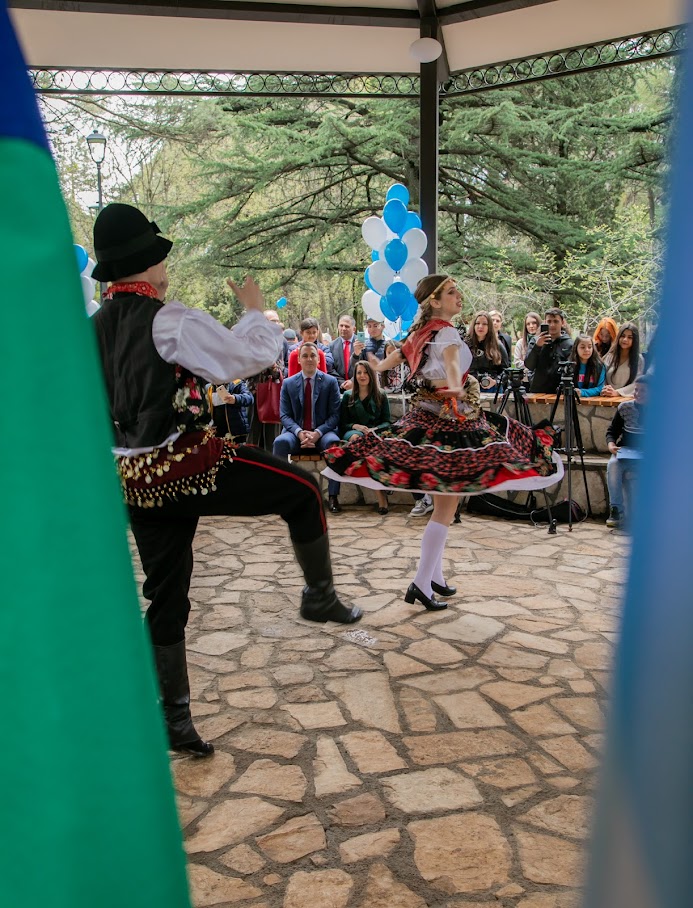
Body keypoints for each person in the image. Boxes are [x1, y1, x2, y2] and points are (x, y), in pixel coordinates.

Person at [91, 204, 361, 758]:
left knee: (166, 596)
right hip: (187, 466)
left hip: (135, 482)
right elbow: (244, 359)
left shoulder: (90, 329)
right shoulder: (169, 319)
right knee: (304, 491)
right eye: (161, 259)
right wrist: (257, 312)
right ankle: (319, 595)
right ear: (151, 265)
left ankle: (174, 721)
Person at [323, 274, 562, 612]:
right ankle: (421, 583)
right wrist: (453, 384)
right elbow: (450, 364)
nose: (458, 296)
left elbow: (394, 359)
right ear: (434, 301)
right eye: (451, 292)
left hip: (426, 421)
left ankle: (433, 575)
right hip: (451, 426)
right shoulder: (447, 333)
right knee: (448, 506)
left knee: (443, 505)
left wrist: (378, 365)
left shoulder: (422, 332)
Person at [331, 360, 392, 514]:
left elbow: (387, 421)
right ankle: (380, 492)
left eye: (365, 372)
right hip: (353, 432)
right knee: (358, 439)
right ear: (354, 376)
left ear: (371, 375)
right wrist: (356, 427)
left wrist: (374, 429)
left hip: (375, 432)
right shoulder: (347, 396)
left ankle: (380, 491)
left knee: (372, 443)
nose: (362, 375)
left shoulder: (381, 395)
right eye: (359, 373)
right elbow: (343, 423)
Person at [273, 341, 342, 463]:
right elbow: (284, 415)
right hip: (295, 434)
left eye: (313, 355)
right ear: (299, 359)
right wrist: (299, 433)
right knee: (280, 442)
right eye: (305, 356)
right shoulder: (288, 383)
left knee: (333, 444)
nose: (309, 359)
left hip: (323, 434)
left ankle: (333, 483)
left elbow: (335, 415)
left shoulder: (331, 382)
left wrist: (317, 433)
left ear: (319, 359)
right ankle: (281, 482)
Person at [605, 375, 648, 528]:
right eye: (636, 390)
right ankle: (616, 509)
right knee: (613, 465)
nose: (638, 393)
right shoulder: (625, 408)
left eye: (643, 391)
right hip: (626, 451)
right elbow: (612, 431)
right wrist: (611, 445)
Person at [524, 308, 574, 393]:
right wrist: (537, 346)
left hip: (560, 391)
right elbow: (529, 365)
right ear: (544, 322)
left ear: (562, 322)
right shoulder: (535, 341)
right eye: (549, 321)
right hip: (538, 390)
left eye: (556, 321)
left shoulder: (569, 344)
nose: (552, 325)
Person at [466, 311, 509, 392]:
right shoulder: (465, 345)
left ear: (489, 326)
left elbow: (506, 371)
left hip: (492, 388)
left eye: (484, 324)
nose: (480, 326)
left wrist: (495, 381)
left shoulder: (498, 346)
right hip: (469, 388)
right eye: (477, 323)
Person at [601, 322, 644, 398]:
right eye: (623, 336)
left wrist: (617, 392)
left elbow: (637, 383)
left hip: (627, 400)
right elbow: (601, 378)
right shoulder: (609, 357)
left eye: (630, 337)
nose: (625, 339)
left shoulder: (639, 360)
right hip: (607, 399)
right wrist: (607, 390)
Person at [209, 378, 253, 442]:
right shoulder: (210, 387)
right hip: (218, 432)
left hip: (236, 431)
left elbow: (249, 398)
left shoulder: (237, 383)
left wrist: (235, 398)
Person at [329, 314, 357, 390]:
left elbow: (366, 365)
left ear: (354, 329)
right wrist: (342, 382)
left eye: (347, 326)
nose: (343, 328)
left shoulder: (361, 344)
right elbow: (330, 368)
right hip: (338, 387)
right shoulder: (332, 346)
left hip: (358, 387)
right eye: (341, 326)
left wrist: (352, 381)